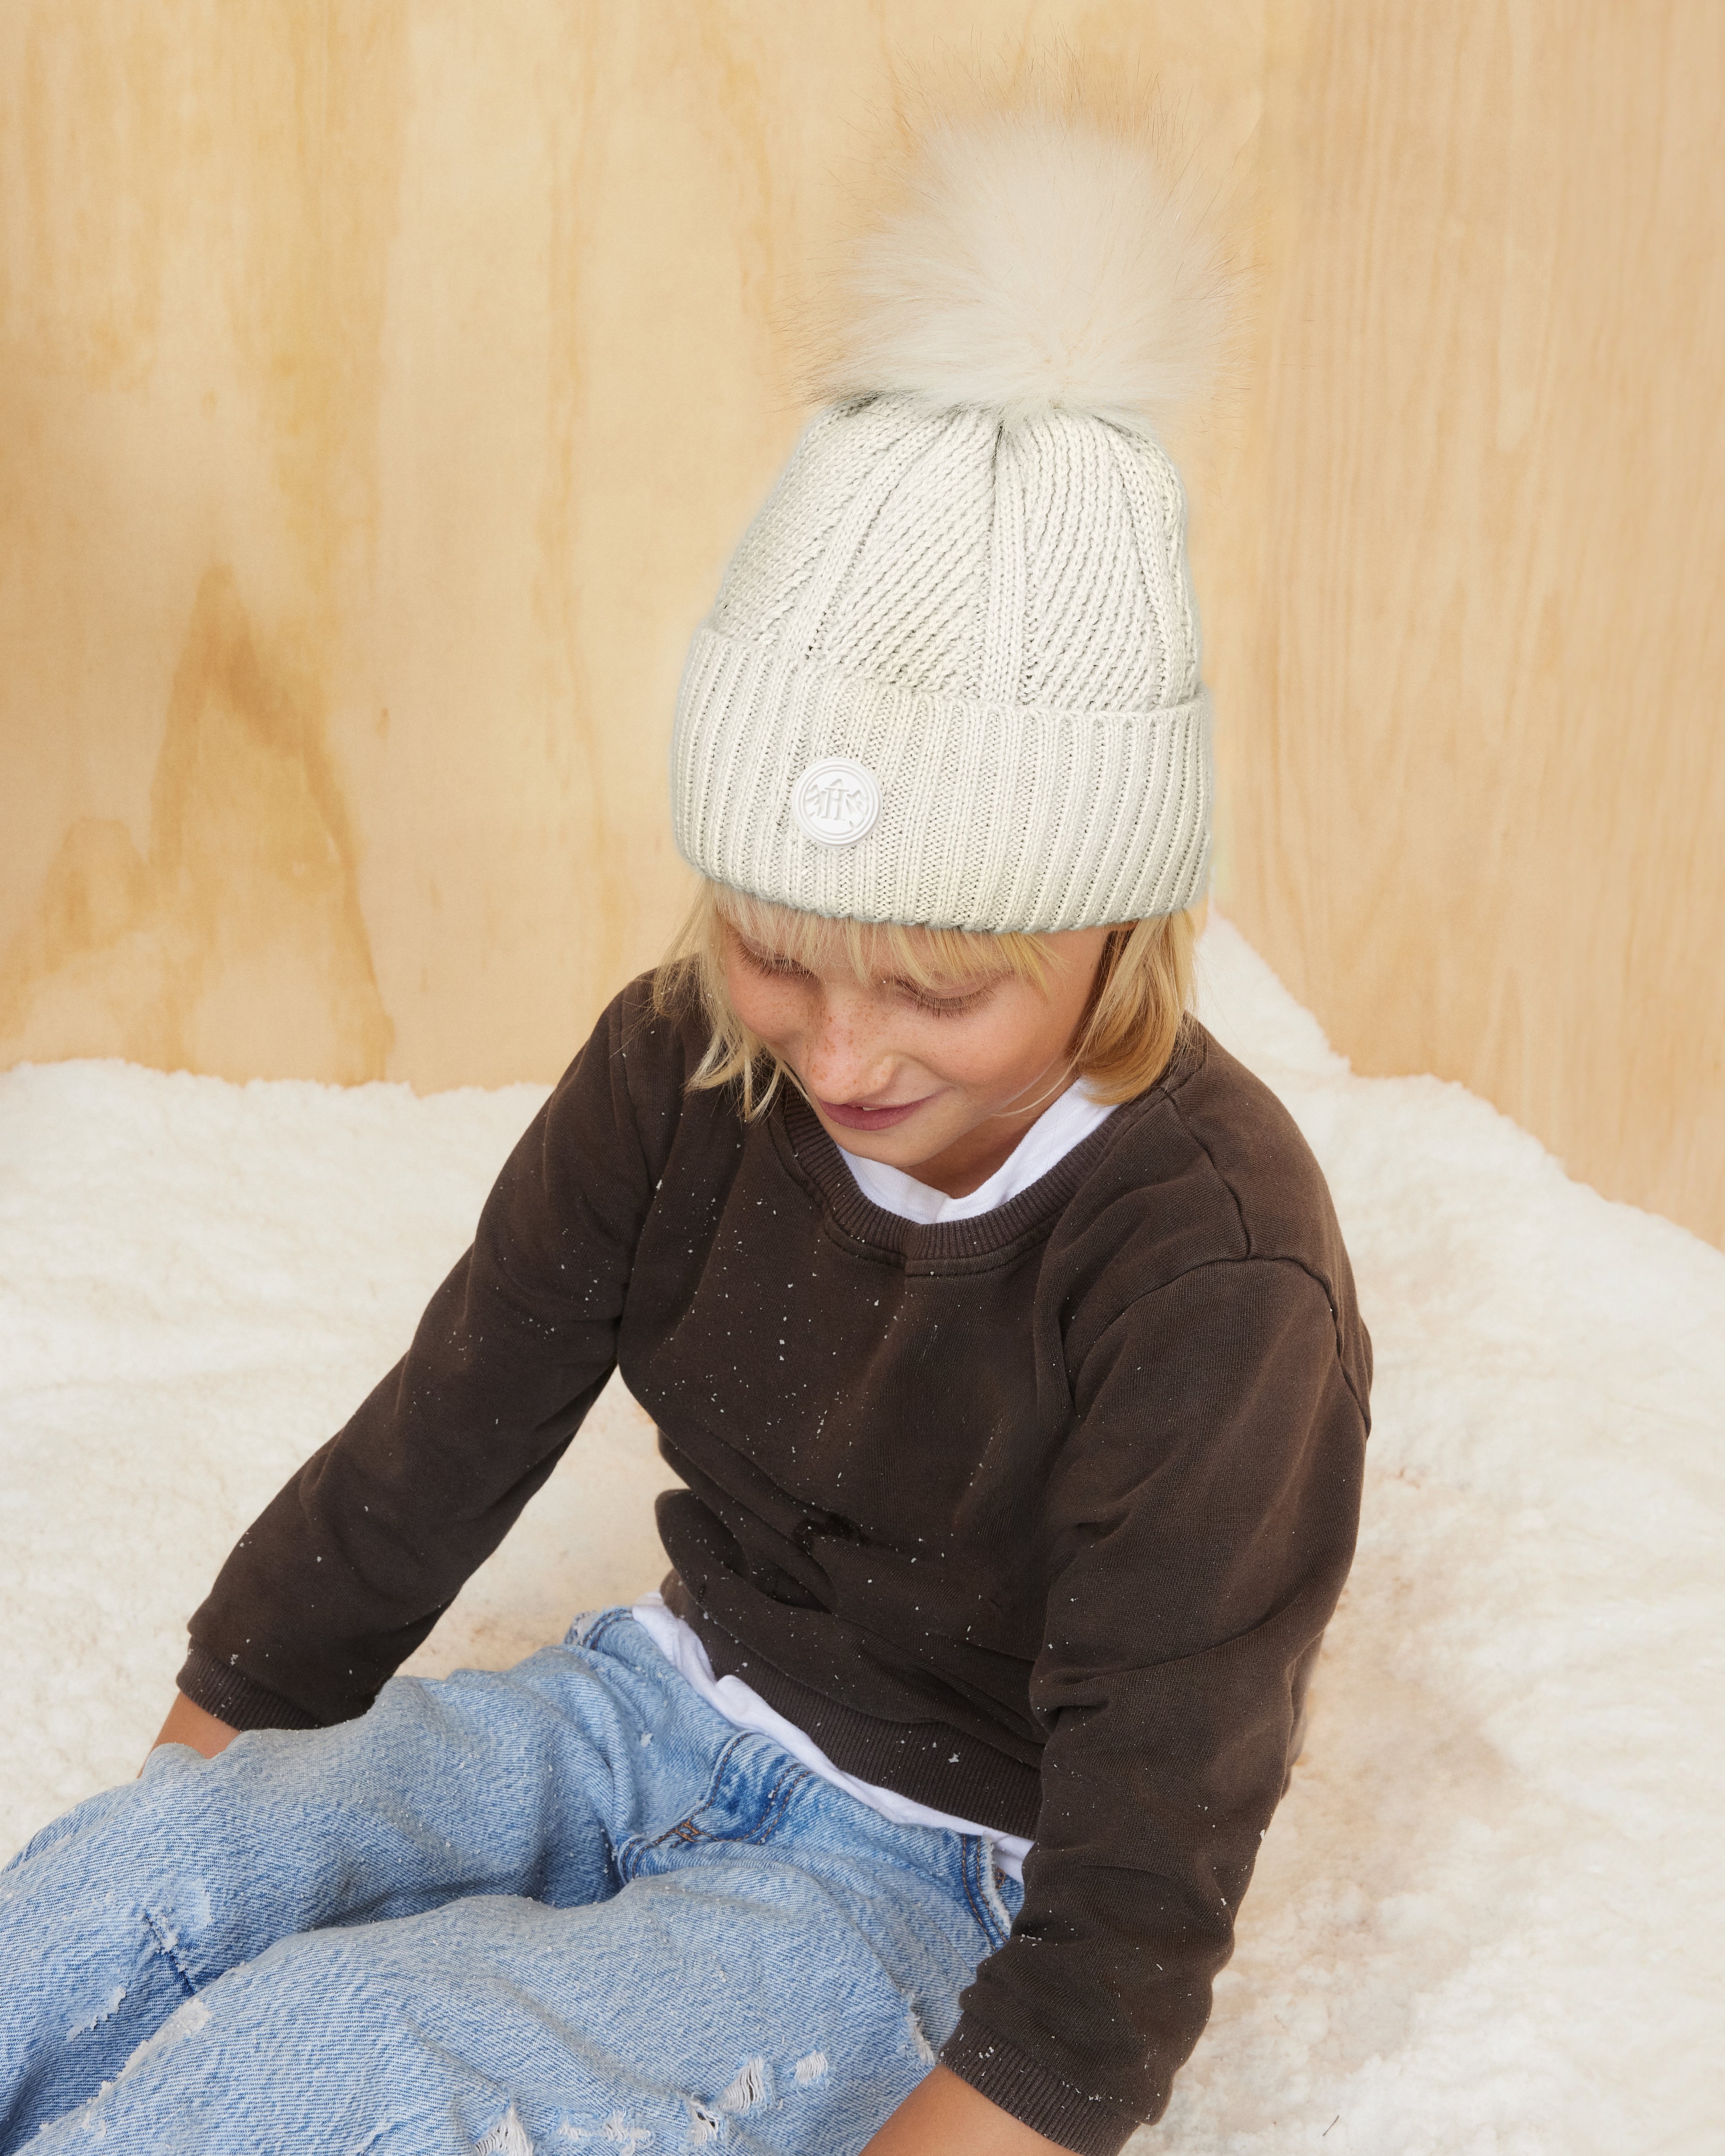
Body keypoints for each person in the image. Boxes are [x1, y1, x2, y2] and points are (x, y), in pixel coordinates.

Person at [0, 109, 1370, 2156]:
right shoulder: (684, 1063)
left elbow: (1148, 1868)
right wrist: (198, 1830)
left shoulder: (1215, 1273)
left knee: (357, 2053)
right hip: (651, 1697)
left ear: (1123, 913)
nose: (839, 1050)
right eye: (778, 950)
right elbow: (437, 1435)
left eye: (939, 985)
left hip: (921, 1870)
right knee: (138, 1885)